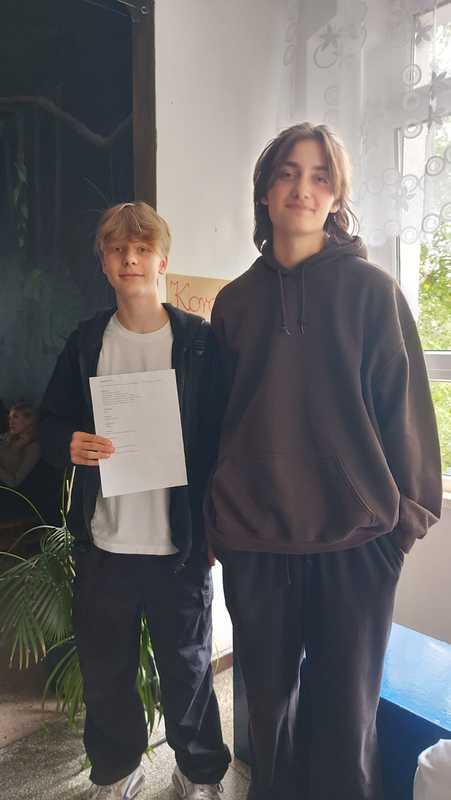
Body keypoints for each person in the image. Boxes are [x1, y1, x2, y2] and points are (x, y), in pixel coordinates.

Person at [204, 123, 443, 800]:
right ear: (264, 190)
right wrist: (215, 523)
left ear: (336, 196)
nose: (302, 188)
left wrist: (403, 522)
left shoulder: (372, 292)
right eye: (287, 172)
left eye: (318, 176)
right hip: (256, 545)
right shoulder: (234, 303)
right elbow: (214, 424)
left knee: (346, 727)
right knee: (268, 726)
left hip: (356, 546)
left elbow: (406, 412)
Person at [40, 202, 230, 800]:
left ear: (161, 261)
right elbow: (51, 421)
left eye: (142, 249)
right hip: (105, 542)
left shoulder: (198, 342)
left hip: (180, 545)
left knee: (189, 670)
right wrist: (69, 443)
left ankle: (199, 772)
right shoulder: (87, 341)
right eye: (118, 249)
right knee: (106, 674)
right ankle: (117, 771)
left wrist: (216, 530)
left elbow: (223, 436)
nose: (130, 258)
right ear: (103, 262)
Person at [0, 402, 40, 489]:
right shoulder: (10, 435)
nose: (10, 422)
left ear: (28, 421)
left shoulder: (33, 448)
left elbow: (14, 482)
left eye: (15, 417)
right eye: (9, 418)